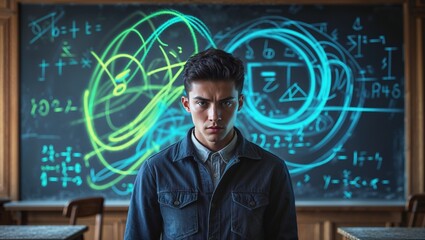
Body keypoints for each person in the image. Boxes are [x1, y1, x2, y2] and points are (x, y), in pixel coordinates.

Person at [124, 48, 298, 240]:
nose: (214, 116)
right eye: (202, 103)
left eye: (226, 103)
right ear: (186, 104)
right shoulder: (156, 170)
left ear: (240, 103)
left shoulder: (272, 169)